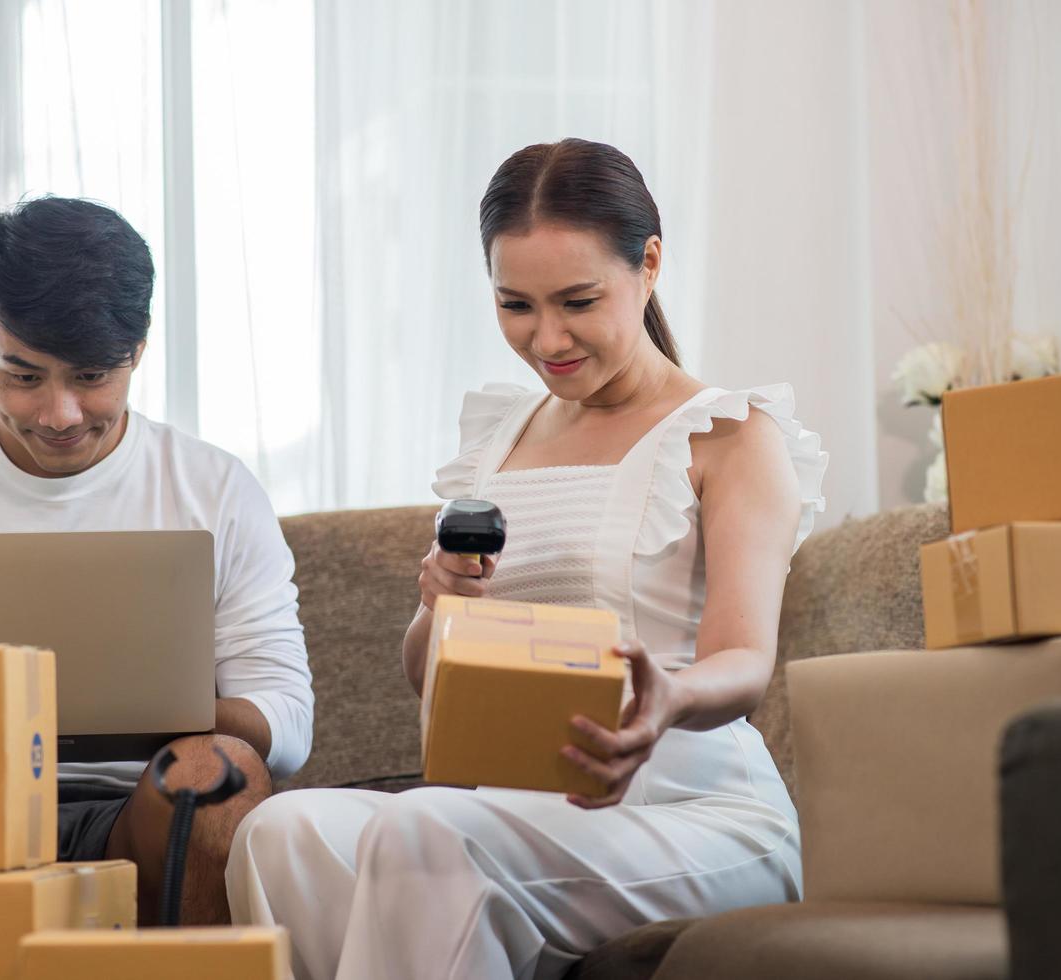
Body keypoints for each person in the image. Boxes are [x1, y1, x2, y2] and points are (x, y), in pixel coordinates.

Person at [226, 138, 827, 979]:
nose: (547, 338)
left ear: (648, 264)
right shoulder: (499, 439)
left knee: (422, 829)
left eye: (578, 300)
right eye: (515, 305)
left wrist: (664, 700)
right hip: (520, 809)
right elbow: (423, 673)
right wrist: (440, 603)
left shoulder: (729, 435)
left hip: (694, 812)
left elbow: (743, 662)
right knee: (279, 832)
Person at [0, 196, 313, 926]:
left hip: (145, 804)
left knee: (218, 774)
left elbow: (287, 723)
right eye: (25, 376)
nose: (60, 414)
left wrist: (150, 708)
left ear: (137, 349)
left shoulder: (217, 491)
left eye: (92, 375)